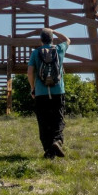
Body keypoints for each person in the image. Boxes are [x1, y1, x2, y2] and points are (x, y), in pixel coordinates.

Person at [27, 27, 70, 158]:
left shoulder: (36, 52)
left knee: (44, 122)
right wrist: (54, 31)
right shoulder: (59, 49)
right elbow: (67, 40)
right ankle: (57, 141)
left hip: (41, 93)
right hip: (58, 91)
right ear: (52, 39)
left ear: (41, 40)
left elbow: (29, 72)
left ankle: (48, 151)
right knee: (58, 119)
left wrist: (33, 87)